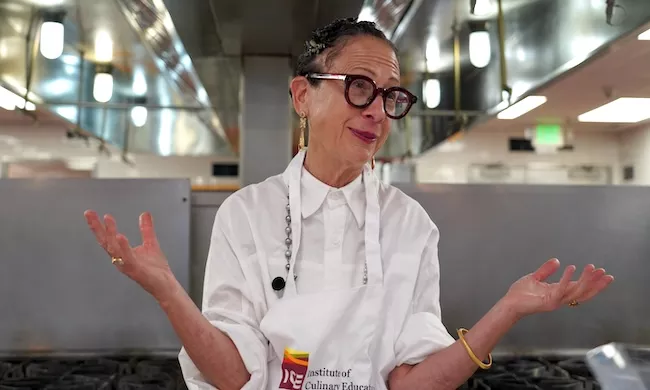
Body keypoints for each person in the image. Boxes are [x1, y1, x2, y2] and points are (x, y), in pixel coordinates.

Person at [84, 17, 614, 390]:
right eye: (359, 87)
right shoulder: (245, 215)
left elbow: (412, 382)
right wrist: (167, 291)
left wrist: (508, 310)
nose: (378, 112)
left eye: (390, 96)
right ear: (302, 97)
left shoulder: (410, 225)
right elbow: (233, 376)